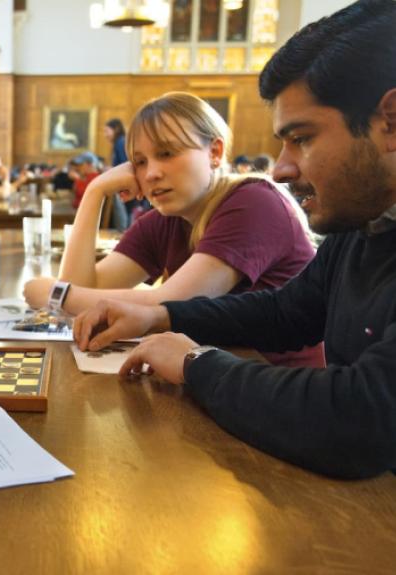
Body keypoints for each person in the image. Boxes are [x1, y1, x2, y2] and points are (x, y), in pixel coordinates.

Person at [72, 0, 396, 479]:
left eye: (301, 138)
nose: (281, 167)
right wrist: (160, 314)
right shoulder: (367, 222)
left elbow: (357, 418)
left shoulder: (263, 202)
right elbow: (286, 312)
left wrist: (196, 364)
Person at [27, 91, 323, 368]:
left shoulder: (255, 201)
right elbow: (86, 291)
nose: (151, 173)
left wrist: (58, 295)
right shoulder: (166, 219)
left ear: (215, 152)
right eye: (140, 162)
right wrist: (95, 192)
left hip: (282, 388)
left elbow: (170, 304)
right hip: (214, 378)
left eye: (167, 153)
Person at [106, 117, 150, 224]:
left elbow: (126, 164)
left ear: (115, 129)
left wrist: (110, 170)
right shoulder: (120, 142)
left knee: (127, 219)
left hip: (127, 187)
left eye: (107, 131)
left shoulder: (120, 142)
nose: (105, 134)